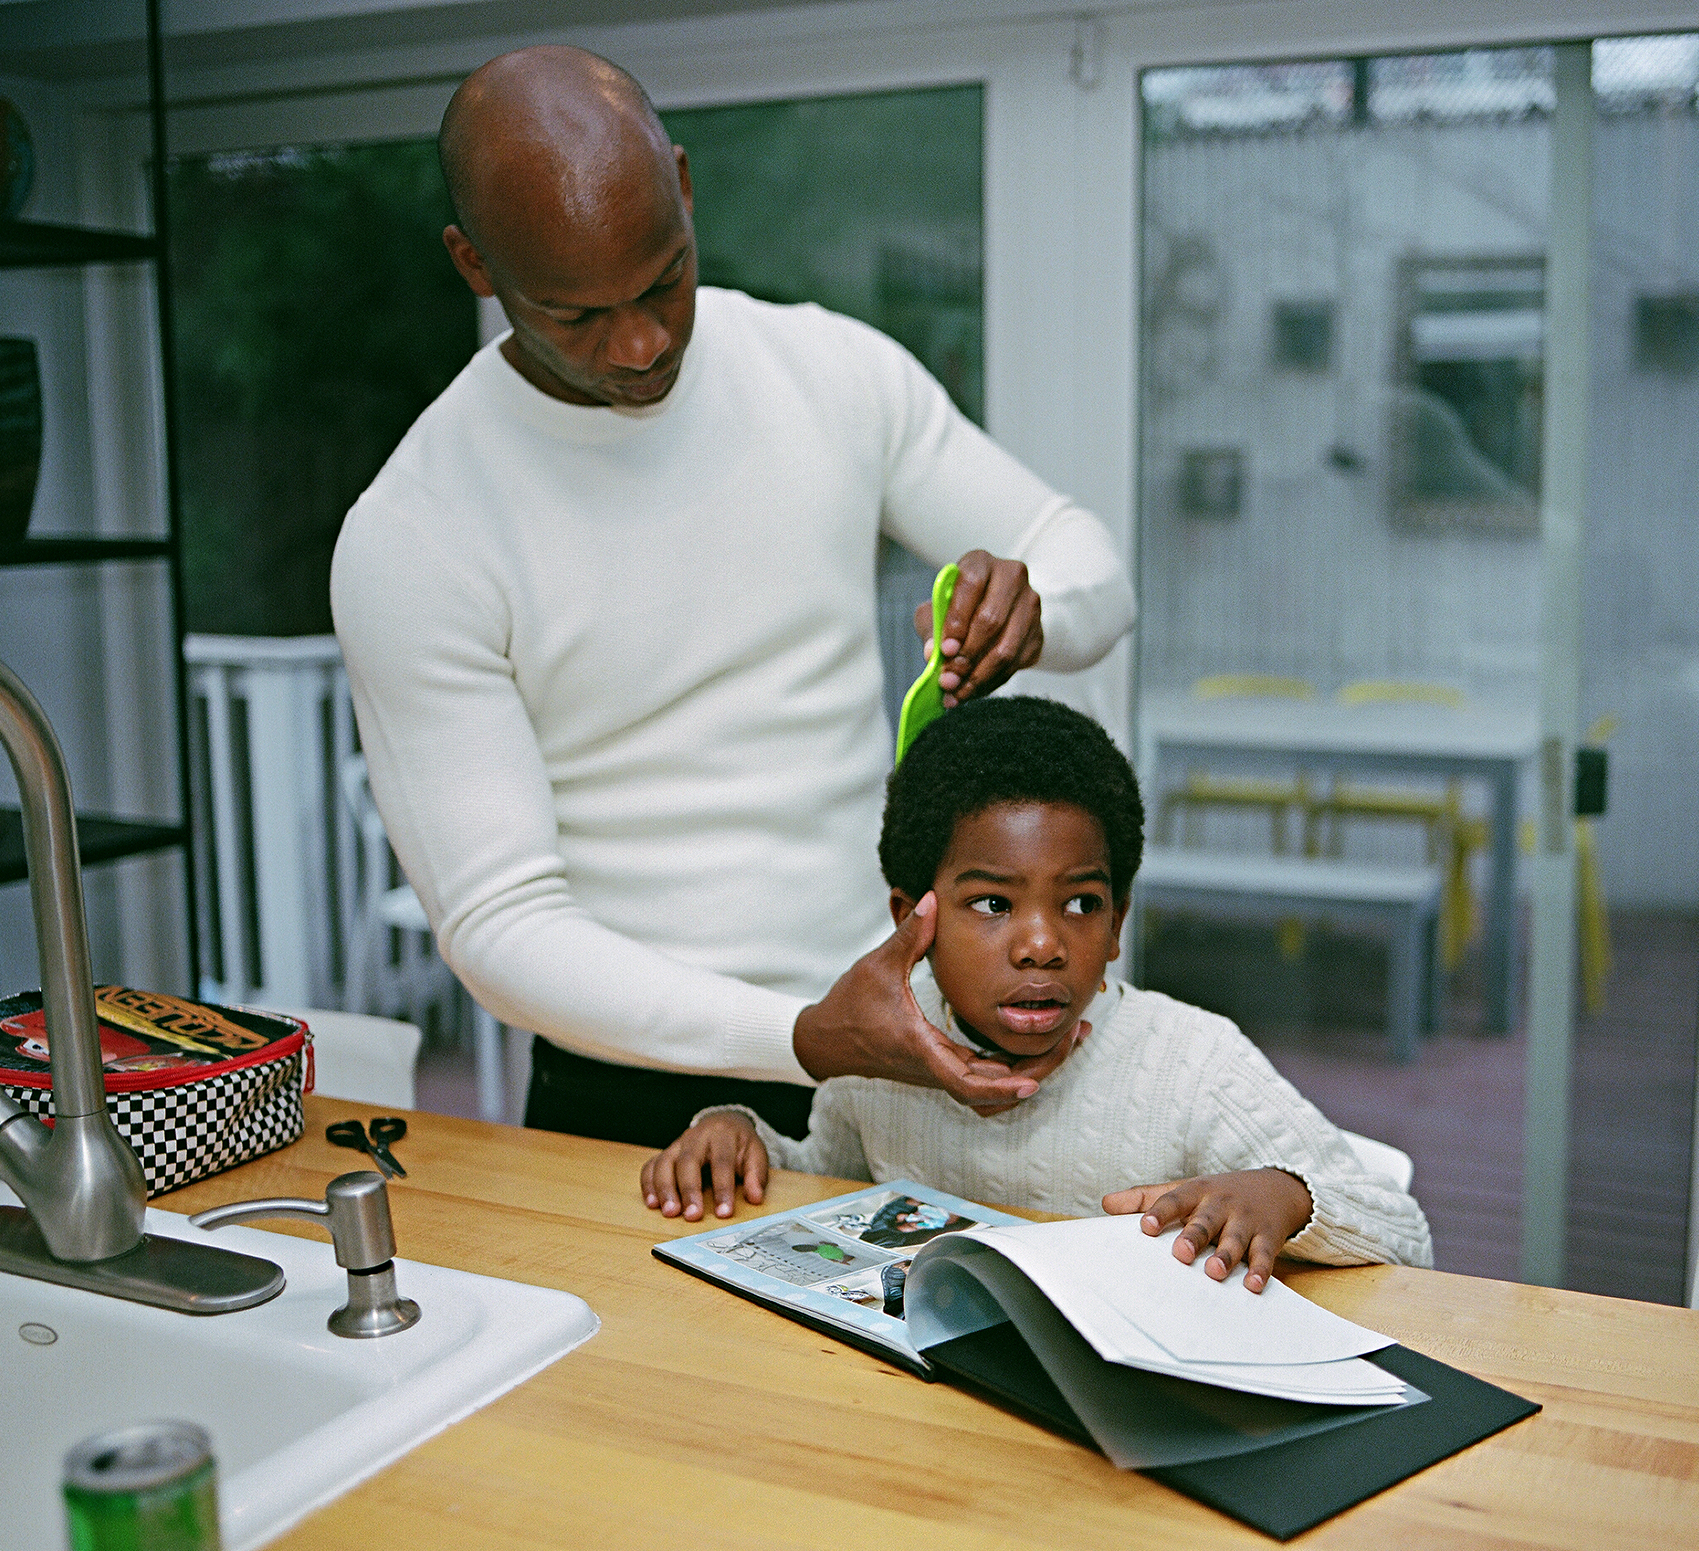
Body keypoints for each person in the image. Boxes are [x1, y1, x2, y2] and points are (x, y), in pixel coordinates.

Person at [330, 46, 1134, 1145]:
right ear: (473, 264)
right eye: (575, 314)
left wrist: (1038, 607)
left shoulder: (833, 373)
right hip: (633, 1093)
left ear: (684, 183)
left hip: (908, 1049)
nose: (641, 342)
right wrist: (799, 1035)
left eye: (663, 277)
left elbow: (1087, 559)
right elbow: (500, 924)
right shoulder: (413, 533)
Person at [642, 698, 1433, 1292]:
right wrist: (739, 1133)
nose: (1043, 943)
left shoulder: (1190, 1061)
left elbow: (1406, 1234)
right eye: (993, 903)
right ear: (910, 919)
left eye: (1081, 903)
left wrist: (1284, 1195)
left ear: (1118, 923)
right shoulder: (883, 1053)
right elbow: (835, 1178)